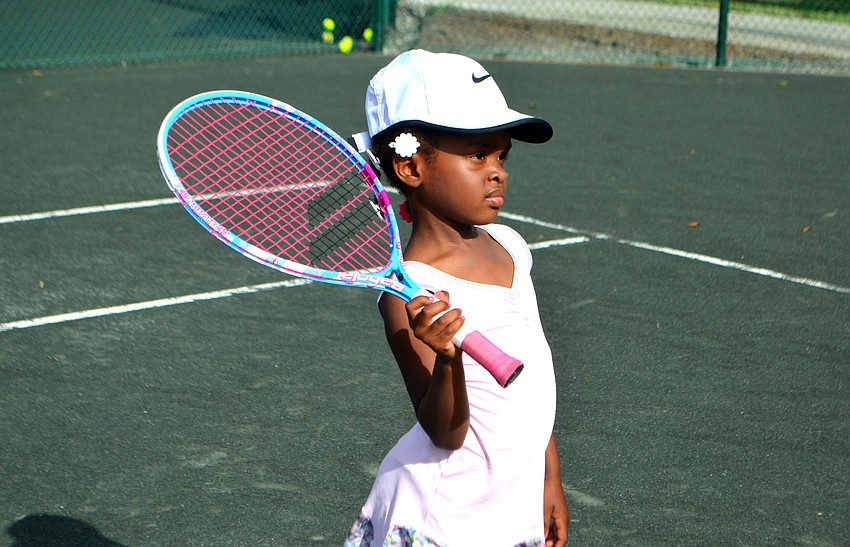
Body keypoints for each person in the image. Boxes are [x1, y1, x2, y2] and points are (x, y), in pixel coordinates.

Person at [344, 49, 569, 547]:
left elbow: (531, 384)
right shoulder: (404, 292)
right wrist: (447, 358)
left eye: (501, 156)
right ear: (409, 167)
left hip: (508, 500)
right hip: (443, 514)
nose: (497, 172)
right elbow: (444, 431)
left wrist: (548, 475)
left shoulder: (511, 246)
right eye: (476, 154)